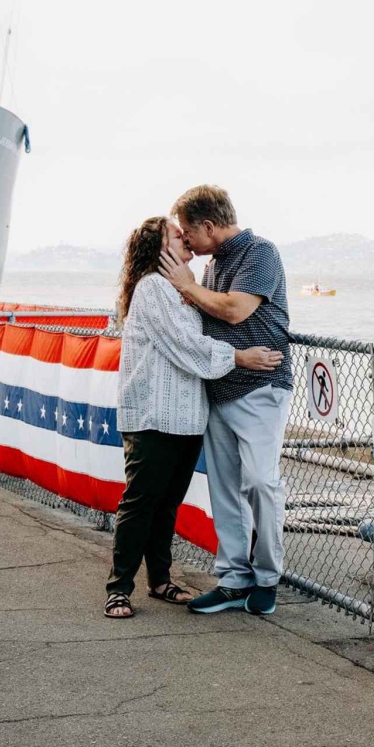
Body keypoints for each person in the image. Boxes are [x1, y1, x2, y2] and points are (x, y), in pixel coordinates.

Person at [105, 216, 282, 620]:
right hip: (152, 416)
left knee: (167, 504)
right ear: (160, 250)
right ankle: (119, 588)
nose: (185, 238)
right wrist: (240, 357)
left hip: (187, 418)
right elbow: (185, 345)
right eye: (175, 235)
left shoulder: (183, 289)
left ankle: (160, 580)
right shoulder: (151, 289)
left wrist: (191, 290)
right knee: (139, 502)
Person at [159, 185, 293, 616]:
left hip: (260, 387)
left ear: (209, 226)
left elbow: (235, 310)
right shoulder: (214, 265)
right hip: (220, 390)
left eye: (188, 232)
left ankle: (268, 577)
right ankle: (234, 579)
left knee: (260, 482)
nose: (186, 240)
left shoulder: (260, 252)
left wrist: (186, 285)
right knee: (225, 491)